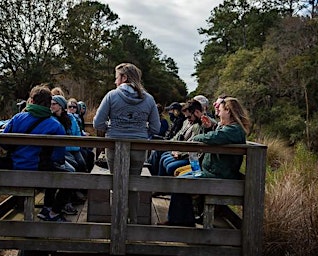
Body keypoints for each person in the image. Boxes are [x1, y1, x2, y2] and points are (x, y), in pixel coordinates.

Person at [160, 97, 251, 227]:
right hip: (214, 173)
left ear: (229, 111)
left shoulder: (233, 130)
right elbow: (216, 136)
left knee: (179, 184)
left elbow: (214, 137)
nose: (217, 113)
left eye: (220, 110)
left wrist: (196, 138)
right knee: (180, 180)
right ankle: (183, 220)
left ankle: (179, 221)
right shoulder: (230, 129)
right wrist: (210, 127)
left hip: (218, 177)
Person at [93, 62, 160, 224]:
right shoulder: (149, 99)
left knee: (115, 184)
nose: (115, 82)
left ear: (123, 77)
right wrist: (142, 133)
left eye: (116, 78)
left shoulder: (111, 96)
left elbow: (97, 123)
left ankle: (116, 222)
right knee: (133, 186)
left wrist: (111, 128)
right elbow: (156, 128)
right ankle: (133, 222)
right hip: (138, 147)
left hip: (115, 145)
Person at [0, 85, 69, 222]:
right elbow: (59, 156)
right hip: (39, 173)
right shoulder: (55, 125)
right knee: (71, 178)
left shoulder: (18, 118)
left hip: (13, 170)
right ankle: (53, 212)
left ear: (31, 100)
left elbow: (4, 143)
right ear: (49, 103)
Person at [158, 100, 206, 177]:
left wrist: (180, 153)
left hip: (193, 157)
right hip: (184, 152)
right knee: (164, 157)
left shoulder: (203, 125)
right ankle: (159, 183)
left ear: (196, 112)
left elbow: (194, 145)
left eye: (189, 117)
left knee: (169, 166)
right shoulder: (188, 122)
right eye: (186, 117)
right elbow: (179, 135)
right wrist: (169, 145)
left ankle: (165, 185)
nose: (188, 119)